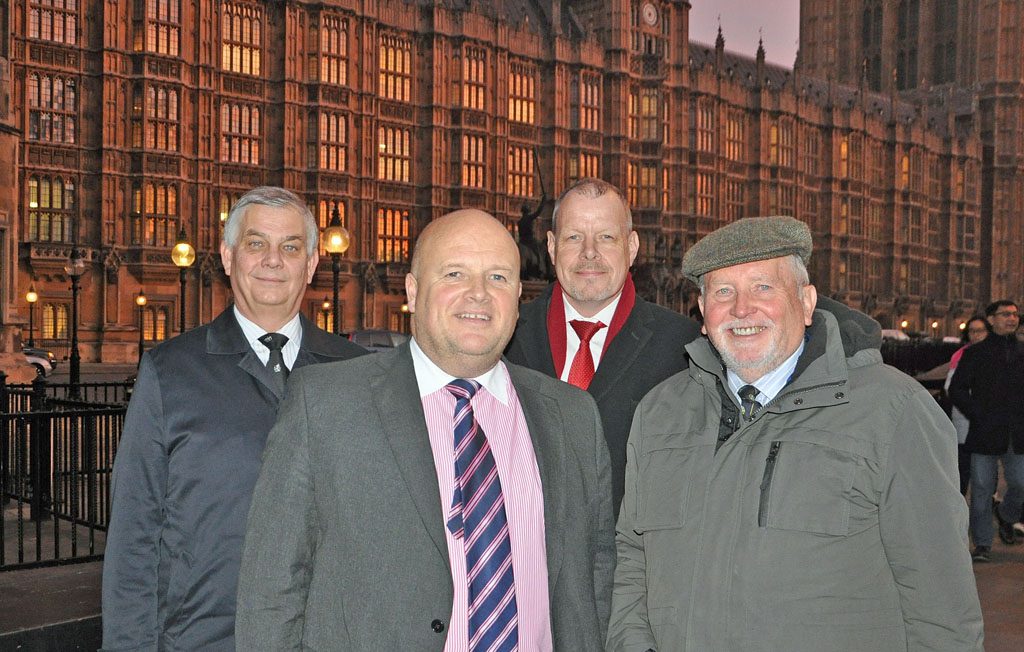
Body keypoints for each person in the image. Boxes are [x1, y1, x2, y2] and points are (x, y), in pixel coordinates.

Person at [235, 209, 614, 650]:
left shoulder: (573, 417)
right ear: (413, 292)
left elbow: (596, 575)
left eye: (498, 278)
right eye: (455, 273)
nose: (478, 294)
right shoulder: (324, 404)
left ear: (517, 300)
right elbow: (271, 592)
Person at [608, 216, 982, 651]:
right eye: (723, 292)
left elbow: (942, 606)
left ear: (806, 303)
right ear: (703, 314)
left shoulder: (892, 411)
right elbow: (634, 559)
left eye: (763, 287)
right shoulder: (661, 412)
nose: (742, 308)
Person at [101, 186, 366, 650]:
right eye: (256, 243)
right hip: (204, 638)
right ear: (227, 256)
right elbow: (133, 534)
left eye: (290, 247)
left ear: (310, 264)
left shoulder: (357, 372)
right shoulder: (170, 370)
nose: (272, 260)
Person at [505, 178, 699, 514]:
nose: (589, 252)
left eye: (606, 237)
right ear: (551, 247)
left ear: (632, 247)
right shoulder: (505, 339)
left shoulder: (683, 348)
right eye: (574, 237)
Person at [949, 299, 1024, 561]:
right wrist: (978, 414)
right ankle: (982, 542)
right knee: (981, 489)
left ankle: (1006, 515)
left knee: (1020, 483)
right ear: (991, 319)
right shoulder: (975, 354)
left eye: (1015, 315)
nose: (1012, 319)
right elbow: (956, 390)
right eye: (1006, 314)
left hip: (1017, 433)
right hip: (985, 432)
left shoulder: (1022, 351)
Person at [944, 314, 988, 495]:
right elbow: (950, 386)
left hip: (990, 421)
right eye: (972, 331)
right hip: (965, 418)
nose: (976, 335)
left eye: (980, 331)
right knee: (964, 466)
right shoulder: (961, 355)